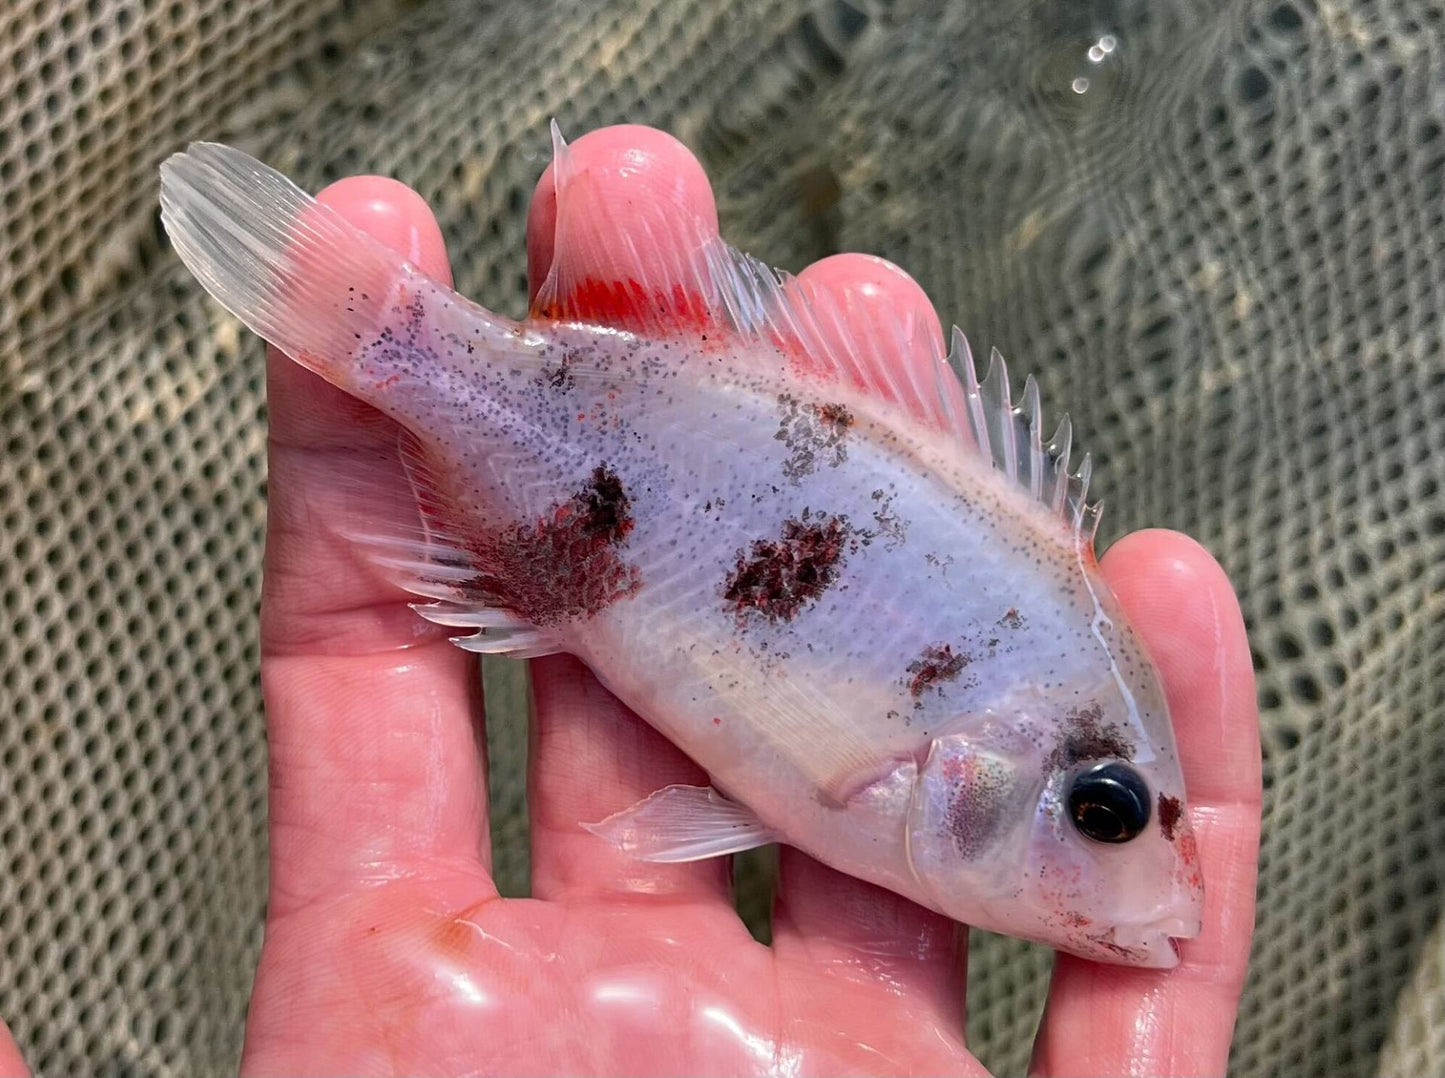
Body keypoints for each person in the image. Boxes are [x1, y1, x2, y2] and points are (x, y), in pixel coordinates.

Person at [0, 125, 1261, 1077]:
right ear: (1009, 763)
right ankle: (389, 338)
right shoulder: (993, 712)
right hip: (604, 473)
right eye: (1103, 812)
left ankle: (399, 343)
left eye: (1113, 814)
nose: (1154, 891)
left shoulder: (1005, 717)